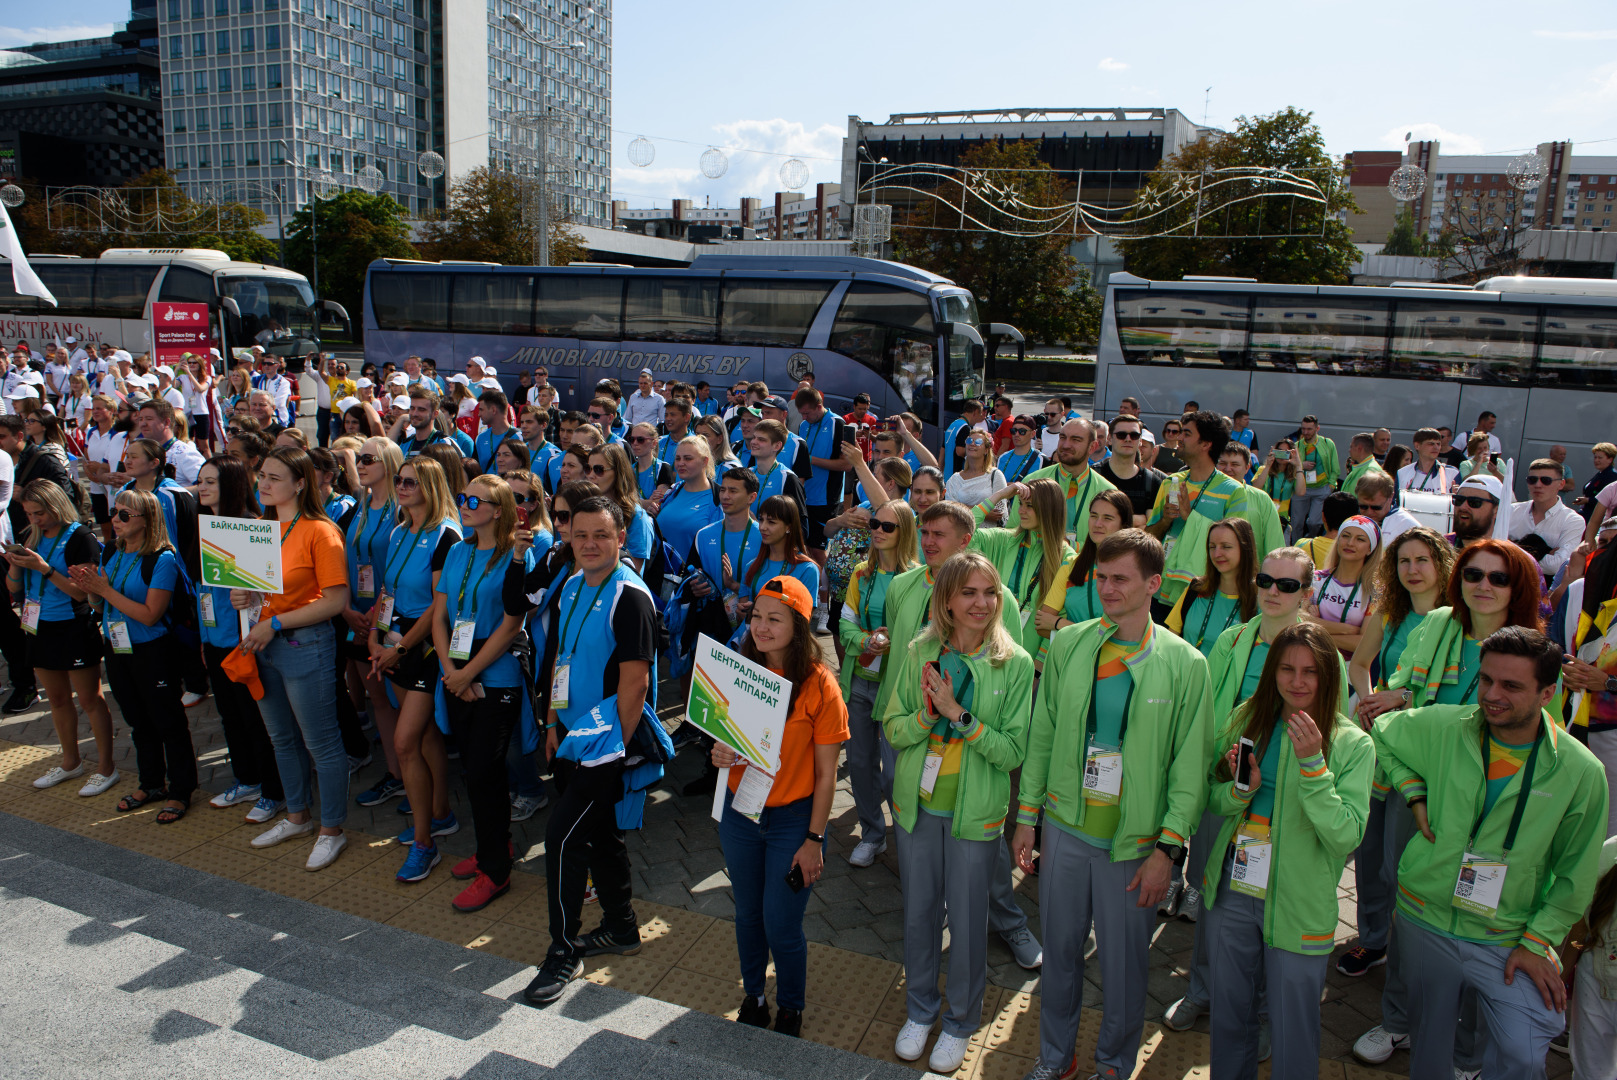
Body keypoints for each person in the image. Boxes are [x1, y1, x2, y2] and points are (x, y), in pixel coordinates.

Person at [1015, 529, 1214, 1080]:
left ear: (1154, 584)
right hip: (1067, 829)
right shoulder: (1069, 643)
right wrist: (1027, 817)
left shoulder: (1186, 663)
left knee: (1126, 970)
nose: (1106, 588)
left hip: (1135, 844)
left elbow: (1189, 768)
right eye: (1100, 577)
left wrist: (1168, 851)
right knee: (1058, 958)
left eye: (1120, 578)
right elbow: (1043, 736)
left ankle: (1113, 1065)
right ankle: (1056, 1058)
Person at [1372, 627, 1607, 1080]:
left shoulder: (1581, 772)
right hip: (1424, 917)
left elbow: (1576, 873)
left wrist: (1539, 941)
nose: (1492, 695)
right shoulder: (1445, 724)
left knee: (1522, 1054)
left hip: (1507, 935)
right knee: (1427, 1048)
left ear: (1547, 693)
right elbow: (1380, 730)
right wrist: (1413, 790)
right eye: (1486, 680)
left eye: (1511, 686)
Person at [1165, 545, 1342, 1022]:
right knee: (1212, 892)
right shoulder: (1231, 640)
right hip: (1229, 787)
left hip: (1291, 797)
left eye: (1287, 585)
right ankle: (1202, 989)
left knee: (1269, 912)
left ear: (1306, 593)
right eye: (1265, 581)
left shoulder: (1322, 655)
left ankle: (1261, 1012)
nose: (1272, 592)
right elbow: (1211, 713)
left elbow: (1335, 728)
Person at [883, 551, 1034, 1074]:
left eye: (989, 592)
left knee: (968, 923)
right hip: (919, 809)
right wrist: (927, 717)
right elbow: (894, 729)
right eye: (968, 592)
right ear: (946, 599)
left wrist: (958, 716)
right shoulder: (921, 649)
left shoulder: (1013, 663)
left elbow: (1013, 751)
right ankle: (921, 1011)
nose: (981, 603)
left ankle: (961, 1021)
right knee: (920, 914)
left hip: (976, 816)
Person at [1202, 621, 1374, 1079]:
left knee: (1294, 1029)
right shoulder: (1246, 719)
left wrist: (1315, 767)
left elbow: (1345, 836)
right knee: (1229, 1016)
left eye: (1310, 672)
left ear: (1329, 676)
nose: (1297, 682)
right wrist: (1240, 791)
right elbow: (1213, 797)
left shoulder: (1353, 745)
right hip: (1236, 888)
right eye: (1286, 669)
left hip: (1300, 902)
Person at [522, 496, 659, 1005]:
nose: (590, 545)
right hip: (569, 737)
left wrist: (611, 752)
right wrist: (554, 721)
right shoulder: (572, 586)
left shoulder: (631, 596)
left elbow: (635, 686)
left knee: (560, 841)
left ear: (621, 538)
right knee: (601, 837)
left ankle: (563, 950)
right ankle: (621, 927)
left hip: (603, 747)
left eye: (601, 535)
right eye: (580, 536)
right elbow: (560, 657)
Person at [714, 575, 846, 1038]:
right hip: (740, 812)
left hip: (794, 818)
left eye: (776, 619)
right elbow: (723, 739)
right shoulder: (736, 671)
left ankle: (790, 1005)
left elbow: (828, 774)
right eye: (756, 617)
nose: (762, 628)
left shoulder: (820, 685)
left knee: (781, 921)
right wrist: (720, 752)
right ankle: (754, 995)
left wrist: (814, 839)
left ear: (800, 625)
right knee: (747, 914)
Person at [1338, 527, 1455, 987]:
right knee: (1368, 851)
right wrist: (1369, 703)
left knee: (1400, 857)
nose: (1412, 569)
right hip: (1381, 743)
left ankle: (1409, 943)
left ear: (1441, 564)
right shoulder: (1389, 613)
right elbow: (1359, 664)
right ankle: (1372, 936)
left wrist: (1399, 697)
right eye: (1404, 561)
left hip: (1424, 753)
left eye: (1422, 560)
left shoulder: (1457, 621)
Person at [233, 448, 353, 869]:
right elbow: (253, 592)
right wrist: (242, 595)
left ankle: (332, 829)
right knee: (282, 738)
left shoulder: (321, 531)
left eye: (275, 478)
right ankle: (298, 817)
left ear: (300, 483)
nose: (263, 484)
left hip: (305, 645)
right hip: (263, 643)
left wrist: (278, 624)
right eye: (261, 475)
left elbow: (337, 600)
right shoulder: (260, 527)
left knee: (320, 742)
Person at [433, 474, 534, 912]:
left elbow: (512, 625)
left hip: (496, 676)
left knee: (484, 772)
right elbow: (439, 617)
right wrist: (451, 671)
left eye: (477, 499)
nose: (467, 503)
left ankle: (495, 871)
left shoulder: (516, 555)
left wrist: (469, 672)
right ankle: (495, 847)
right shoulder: (457, 549)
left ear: (499, 509)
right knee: (475, 775)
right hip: (456, 670)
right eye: (463, 497)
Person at [72, 487, 195, 824]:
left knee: (168, 721)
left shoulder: (163, 558)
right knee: (138, 721)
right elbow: (101, 605)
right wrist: (91, 593)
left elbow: (150, 614)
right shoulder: (112, 551)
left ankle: (181, 790)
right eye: (115, 512)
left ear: (147, 520)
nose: (116, 519)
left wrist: (104, 590)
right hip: (118, 646)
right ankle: (151, 782)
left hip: (153, 649)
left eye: (125, 515)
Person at [367, 455, 463, 881]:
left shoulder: (446, 536)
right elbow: (388, 590)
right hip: (394, 642)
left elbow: (438, 607)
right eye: (399, 481)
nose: (402, 487)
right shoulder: (399, 530)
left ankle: (425, 844)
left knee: (405, 742)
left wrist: (401, 647)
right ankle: (441, 813)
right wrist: (376, 635)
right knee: (422, 737)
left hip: (421, 649)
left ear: (430, 485)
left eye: (411, 482)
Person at [192, 455, 286, 821]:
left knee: (256, 719)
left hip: (246, 642)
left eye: (210, 481)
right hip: (215, 639)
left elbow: (265, 594)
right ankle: (247, 779)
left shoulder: (249, 526)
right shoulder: (203, 523)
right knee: (230, 716)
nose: (202, 487)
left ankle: (274, 791)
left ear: (229, 485)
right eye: (200, 480)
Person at [7, 478, 115, 795]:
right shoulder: (31, 535)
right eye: (28, 513)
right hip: (38, 626)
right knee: (56, 699)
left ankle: (107, 767)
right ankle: (71, 762)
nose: (34, 519)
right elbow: (15, 588)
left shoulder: (80, 537)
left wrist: (44, 568)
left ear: (55, 506)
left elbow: (83, 595)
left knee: (89, 699)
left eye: (39, 512)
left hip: (72, 626)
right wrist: (15, 564)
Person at [838, 499, 919, 866]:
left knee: (894, 775)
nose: (878, 531)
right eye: (874, 524)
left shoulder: (920, 579)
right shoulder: (861, 573)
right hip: (859, 682)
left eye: (888, 526)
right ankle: (872, 835)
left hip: (896, 691)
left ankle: (908, 841)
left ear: (905, 533)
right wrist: (865, 641)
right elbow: (844, 625)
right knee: (859, 763)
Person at [1146, 410, 1255, 613]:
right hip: (1160, 592)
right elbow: (1150, 537)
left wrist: (1190, 517)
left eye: (1187, 434)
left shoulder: (1233, 491)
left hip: (1201, 595)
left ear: (1206, 444)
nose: (1179, 438)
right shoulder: (1171, 483)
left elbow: (1238, 545)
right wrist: (1166, 521)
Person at [967, 477, 1071, 657]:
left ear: (1048, 509)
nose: (1021, 511)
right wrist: (1000, 495)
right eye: (1020, 504)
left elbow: (1059, 619)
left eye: (1029, 506)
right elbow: (964, 535)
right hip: (988, 652)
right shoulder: (1003, 540)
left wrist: (1039, 668)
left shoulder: (1067, 558)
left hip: (1030, 661)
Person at [1036, 490, 1134, 667]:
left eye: (1107, 518)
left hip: (1115, 665)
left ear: (1124, 525)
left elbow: (1121, 633)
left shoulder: (1134, 570)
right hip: (1072, 662)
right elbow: (1042, 625)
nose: (1097, 524)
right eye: (1093, 516)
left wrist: (1060, 623)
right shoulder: (1071, 564)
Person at [1014, 418, 1117, 551]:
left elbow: (1109, 546)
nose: (1066, 445)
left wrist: (1071, 545)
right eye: (1062, 437)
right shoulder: (1032, 481)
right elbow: (1014, 533)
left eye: (1076, 440)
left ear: (1092, 447)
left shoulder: (1107, 491)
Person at [1562, 836, 1617, 1077]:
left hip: (1598, 980)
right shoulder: (1606, 853)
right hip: (1596, 980)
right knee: (1591, 1072)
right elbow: (1581, 928)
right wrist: (1560, 977)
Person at [1165, 517, 1260, 656]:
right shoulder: (1196, 589)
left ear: (1246, 549)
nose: (1217, 554)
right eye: (1212, 547)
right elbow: (1170, 641)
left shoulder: (1260, 600)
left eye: (1226, 547)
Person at [737, 496, 820, 621]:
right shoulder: (752, 566)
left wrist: (757, 612)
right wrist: (744, 613)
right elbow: (742, 615)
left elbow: (803, 621)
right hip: (750, 637)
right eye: (761, 519)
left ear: (789, 527)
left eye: (771, 522)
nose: (762, 527)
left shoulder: (807, 569)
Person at [1310, 514, 1380, 657]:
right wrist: (1349, 630)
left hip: (1350, 670)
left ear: (1370, 549)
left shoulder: (1376, 592)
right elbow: (1299, 619)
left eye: (1360, 539)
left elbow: (1364, 643)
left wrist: (1317, 628)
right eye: (1345, 536)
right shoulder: (1315, 579)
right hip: (1313, 659)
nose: (1350, 543)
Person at [1507, 458, 1584, 579]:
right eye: (1532, 480)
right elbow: (1495, 550)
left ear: (1561, 484)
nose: (1538, 485)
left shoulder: (1572, 520)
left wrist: (1511, 548)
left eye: (1546, 480)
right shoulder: (1511, 511)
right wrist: (1543, 553)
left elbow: (1558, 566)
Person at [650, 435, 722, 563]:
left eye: (688, 459)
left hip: (691, 579)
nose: (681, 463)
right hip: (661, 576)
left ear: (704, 461)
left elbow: (718, 547)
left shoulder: (718, 498)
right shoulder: (674, 490)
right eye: (678, 458)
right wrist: (653, 514)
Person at [586, 443, 656, 573]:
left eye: (598, 469)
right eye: (588, 468)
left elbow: (633, 573)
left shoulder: (637, 517)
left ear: (618, 472)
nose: (590, 475)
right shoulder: (586, 509)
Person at [1216, 443, 1285, 559]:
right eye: (1222, 463)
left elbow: (1275, 546)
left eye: (1235, 464)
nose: (1227, 469)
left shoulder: (1262, 499)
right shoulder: (1206, 495)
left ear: (1247, 467)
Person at [1097, 414, 1161, 527]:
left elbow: (1152, 529)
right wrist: (1134, 520)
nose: (1128, 439)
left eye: (1134, 435)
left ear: (1140, 441)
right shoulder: (1094, 474)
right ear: (1109, 439)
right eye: (1121, 435)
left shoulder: (1152, 482)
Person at [1287, 415, 1340, 541]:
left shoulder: (1328, 443)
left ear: (1317, 428)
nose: (1305, 432)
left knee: (1314, 522)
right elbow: (1289, 467)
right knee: (1296, 523)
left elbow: (1335, 467)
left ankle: (1311, 541)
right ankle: (1296, 548)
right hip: (1301, 490)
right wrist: (1301, 465)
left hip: (1322, 488)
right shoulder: (1297, 445)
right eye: (1303, 429)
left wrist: (1331, 486)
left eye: (1309, 429)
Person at [1354, 471, 1419, 548]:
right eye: (1363, 507)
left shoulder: (1408, 527)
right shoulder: (1353, 521)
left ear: (1390, 497)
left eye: (1376, 508)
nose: (1369, 512)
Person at [1449, 474, 1506, 550]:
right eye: (1459, 500)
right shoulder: (1439, 547)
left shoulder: (1510, 558)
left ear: (1496, 510)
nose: (1463, 507)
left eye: (1474, 502)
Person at [1399, 427, 1461, 495]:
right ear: (1417, 446)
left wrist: (1457, 497)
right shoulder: (1402, 473)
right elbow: (1396, 502)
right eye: (1431, 444)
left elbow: (1458, 503)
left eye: (1438, 444)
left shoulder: (1452, 473)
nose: (1436, 447)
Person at [998, 414, 1044, 485]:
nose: (1016, 434)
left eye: (1022, 431)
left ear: (1032, 434)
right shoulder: (1002, 458)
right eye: (1013, 431)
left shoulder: (1041, 459)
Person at [1576, 441, 1617, 520]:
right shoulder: (1600, 474)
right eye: (1595, 457)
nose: (1596, 460)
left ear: (1610, 459)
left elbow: (1610, 500)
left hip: (1598, 519)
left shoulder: (1612, 476)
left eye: (1600, 458)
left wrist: (1588, 500)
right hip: (1587, 515)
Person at [1260, 438, 1298, 524]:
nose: (1282, 454)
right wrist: (1268, 466)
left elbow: (1301, 492)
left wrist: (1298, 466)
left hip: (1282, 518)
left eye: (1286, 452)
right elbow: (1256, 487)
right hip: (1264, 514)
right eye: (1279, 451)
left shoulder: (1293, 474)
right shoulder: (1264, 469)